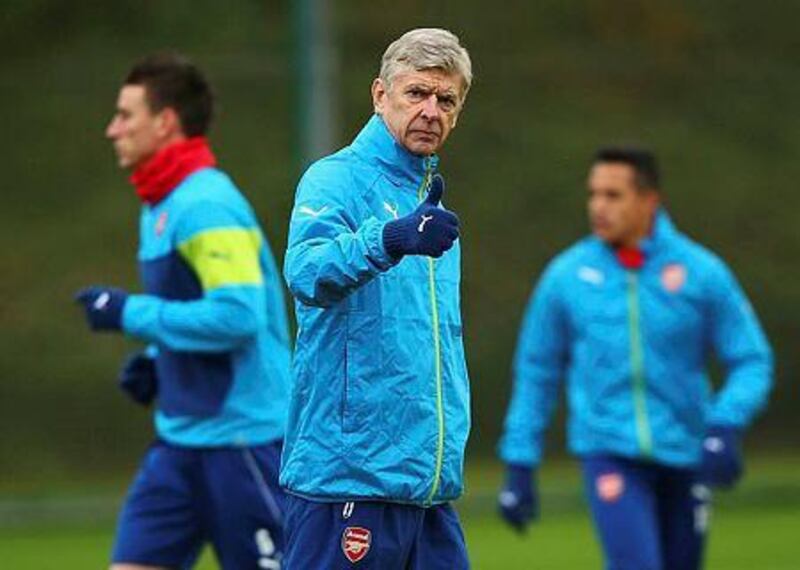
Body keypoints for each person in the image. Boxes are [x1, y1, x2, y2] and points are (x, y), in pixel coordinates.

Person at [496, 147, 773, 570]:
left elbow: (752, 359)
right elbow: (537, 373)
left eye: (613, 195)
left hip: (687, 453)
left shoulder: (701, 272)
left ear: (649, 201)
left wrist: (725, 425)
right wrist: (520, 461)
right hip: (610, 453)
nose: (598, 207)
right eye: (593, 194)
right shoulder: (566, 277)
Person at [75, 53, 291, 570]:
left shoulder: (204, 205)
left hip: (244, 442)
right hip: (179, 443)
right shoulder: (160, 204)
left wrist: (130, 314)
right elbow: (192, 307)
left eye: (126, 115)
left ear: (165, 121)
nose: (112, 130)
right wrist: (158, 358)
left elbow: (239, 316)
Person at [280, 28, 472, 569]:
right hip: (349, 481)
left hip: (427, 488)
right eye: (416, 93)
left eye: (446, 99)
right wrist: (388, 239)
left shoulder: (429, 201)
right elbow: (306, 271)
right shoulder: (334, 179)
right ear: (379, 95)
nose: (431, 110)